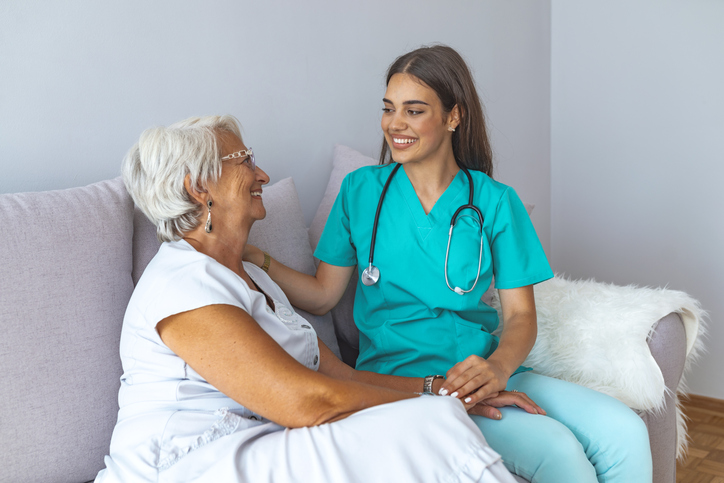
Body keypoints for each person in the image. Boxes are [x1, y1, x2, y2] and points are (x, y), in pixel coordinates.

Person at [244, 46, 653, 482]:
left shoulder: (494, 202)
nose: (394, 124)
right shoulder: (360, 192)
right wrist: (255, 258)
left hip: (481, 368)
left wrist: (498, 369)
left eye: (414, 111)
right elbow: (323, 296)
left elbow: (520, 315)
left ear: (453, 117)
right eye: (388, 109)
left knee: (624, 430)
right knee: (558, 452)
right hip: (402, 380)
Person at [94, 114, 524, 483]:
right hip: (190, 467)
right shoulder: (181, 283)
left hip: (263, 446)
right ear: (198, 187)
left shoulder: (254, 277)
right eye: (245, 161)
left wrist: (441, 389)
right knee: (435, 421)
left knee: (436, 418)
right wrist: (439, 404)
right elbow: (305, 402)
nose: (262, 175)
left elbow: (343, 376)